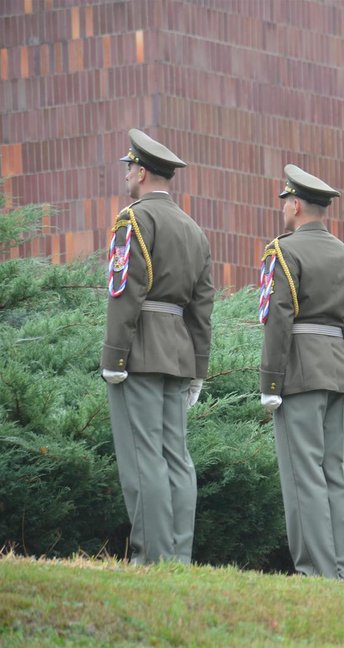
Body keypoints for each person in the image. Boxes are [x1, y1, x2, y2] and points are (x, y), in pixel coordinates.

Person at [103, 129, 214, 564]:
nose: (127, 175)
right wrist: (199, 369)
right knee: (176, 458)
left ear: (142, 172)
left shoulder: (134, 219)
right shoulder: (194, 230)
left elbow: (125, 291)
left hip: (140, 349)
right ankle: (177, 558)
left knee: (143, 457)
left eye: (130, 167)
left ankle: (151, 558)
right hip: (179, 352)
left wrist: (114, 355)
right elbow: (202, 309)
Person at [258, 165, 344, 579]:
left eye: (286, 201)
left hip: (300, 372)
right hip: (339, 370)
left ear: (296, 204)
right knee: (335, 475)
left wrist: (270, 380)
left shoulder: (285, 250)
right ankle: (339, 569)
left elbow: (279, 317)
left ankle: (314, 571)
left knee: (303, 473)